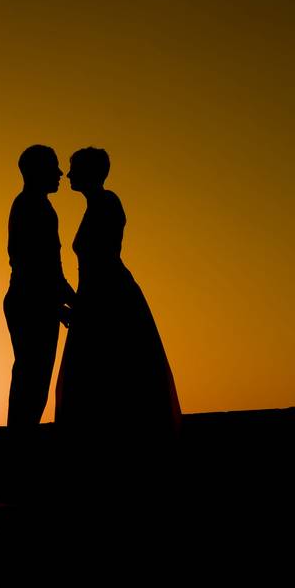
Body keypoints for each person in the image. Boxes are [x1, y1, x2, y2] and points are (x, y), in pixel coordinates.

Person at [55, 147, 181, 443]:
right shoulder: (96, 204)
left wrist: (83, 305)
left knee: (110, 369)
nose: (69, 174)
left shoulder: (106, 202)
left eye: (74, 168)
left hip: (109, 295)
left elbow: (100, 259)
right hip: (98, 294)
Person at [5, 145, 76, 427]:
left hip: (30, 300)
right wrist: (66, 303)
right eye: (53, 167)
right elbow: (38, 266)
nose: (60, 173)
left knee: (31, 380)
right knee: (32, 380)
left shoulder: (33, 205)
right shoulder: (34, 207)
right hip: (31, 303)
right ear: (37, 171)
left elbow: (46, 270)